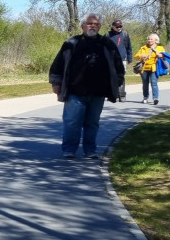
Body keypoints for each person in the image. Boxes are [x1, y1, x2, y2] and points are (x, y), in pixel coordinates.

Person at [49, 13, 125, 159]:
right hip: (75, 91)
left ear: (100, 27)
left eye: (96, 24)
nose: (93, 26)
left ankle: (90, 150)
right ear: (82, 25)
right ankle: (69, 149)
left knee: (92, 123)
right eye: (90, 23)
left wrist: (118, 82)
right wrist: (56, 82)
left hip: (98, 92)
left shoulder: (107, 44)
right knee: (72, 122)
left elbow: (117, 66)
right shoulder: (71, 43)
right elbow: (58, 65)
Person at [134, 33, 168, 105]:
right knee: (145, 83)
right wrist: (140, 56)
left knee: (154, 83)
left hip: (154, 68)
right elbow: (135, 57)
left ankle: (155, 98)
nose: (149, 40)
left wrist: (161, 55)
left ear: (156, 40)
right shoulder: (143, 48)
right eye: (148, 39)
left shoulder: (160, 48)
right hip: (144, 68)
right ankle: (145, 97)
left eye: (151, 39)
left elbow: (165, 56)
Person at [106, 20, 132, 101]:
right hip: (111, 59)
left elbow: (129, 47)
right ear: (113, 27)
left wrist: (129, 58)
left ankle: (122, 94)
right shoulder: (108, 35)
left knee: (121, 76)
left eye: (121, 26)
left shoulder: (125, 34)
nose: (119, 28)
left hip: (122, 58)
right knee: (112, 76)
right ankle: (115, 94)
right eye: (117, 27)